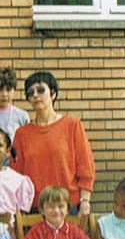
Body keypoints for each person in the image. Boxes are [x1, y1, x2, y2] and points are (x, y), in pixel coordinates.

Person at [11, 71, 95, 216]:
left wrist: (85, 201)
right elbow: (16, 175)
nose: (35, 95)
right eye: (30, 93)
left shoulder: (72, 125)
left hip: (68, 206)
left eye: (40, 90)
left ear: (53, 93)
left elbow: (85, 166)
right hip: (35, 209)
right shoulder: (21, 134)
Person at [0, 67, 30, 150]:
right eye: (0, 90)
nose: (4, 94)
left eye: (8, 89)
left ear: (14, 90)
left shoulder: (22, 116)